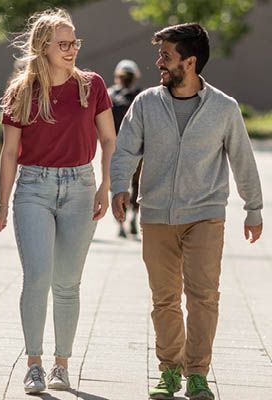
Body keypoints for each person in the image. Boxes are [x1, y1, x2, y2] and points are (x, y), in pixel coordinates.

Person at [110, 23, 263, 400]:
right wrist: (118, 186)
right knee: (164, 298)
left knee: (203, 296)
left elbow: (243, 159)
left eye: (166, 56)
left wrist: (253, 207)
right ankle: (169, 371)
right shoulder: (146, 102)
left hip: (205, 215)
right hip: (157, 214)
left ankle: (197, 373)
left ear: (190, 62)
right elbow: (126, 148)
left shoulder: (223, 108)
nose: (158, 62)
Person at [0, 9, 116, 394]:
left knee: (67, 283)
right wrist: (2, 203)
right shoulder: (22, 91)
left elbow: (110, 139)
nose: (71, 49)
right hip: (33, 188)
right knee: (38, 277)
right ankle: (34, 364)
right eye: (63, 43)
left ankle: (62, 364)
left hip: (81, 186)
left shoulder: (91, 85)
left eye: (74, 42)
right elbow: (9, 153)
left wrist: (105, 186)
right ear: (43, 47)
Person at [107, 59, 142, 238]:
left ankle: (121, 223)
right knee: (137, 184)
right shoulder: (141, 96)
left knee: (118, 184)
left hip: (115, 148)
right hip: (139, 147)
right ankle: (133, 218)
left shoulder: (110, 95)